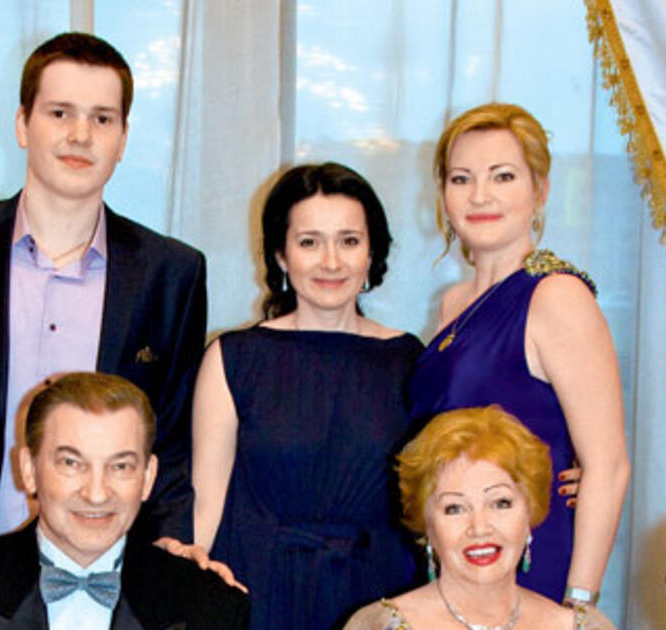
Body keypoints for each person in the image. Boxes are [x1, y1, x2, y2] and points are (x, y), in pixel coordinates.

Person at [0, 32, 206, 544]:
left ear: (123, 138)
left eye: (102, 119)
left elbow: (172, 444)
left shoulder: (171, 274)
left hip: (104, 568)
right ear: (22, 124)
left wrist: (169, 559)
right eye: (59, 113)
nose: (80, 135)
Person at [407, 102, 629, 606]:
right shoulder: (452, 303)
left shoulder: (557, 296)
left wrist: (578, 605)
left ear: (540, 189)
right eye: (461, 179)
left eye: (502, 176)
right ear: (442, 194)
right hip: (451, 558)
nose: (480, 195)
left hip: (530, 564)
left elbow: (609, 465)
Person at [192, 162, 425, 629]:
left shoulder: (407, 359)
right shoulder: (233, 359)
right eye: (309, 242)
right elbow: (204, 505)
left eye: (349, 241)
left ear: (372, 251)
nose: (331, 262)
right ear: (281, 255)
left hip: (379, 596)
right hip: (257, 593)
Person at [0, 372, 249, 629]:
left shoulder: (211, 607)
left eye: (120, 466)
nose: (96, 494)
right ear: (29, 470)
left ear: (147, 478)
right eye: (71, 463)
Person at [344, 406, 616, 629]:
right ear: (427, 526)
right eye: (455, 508)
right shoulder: (380, 626)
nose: (479, 527)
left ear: (529, 513)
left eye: (500, 503)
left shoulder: (579, 627)